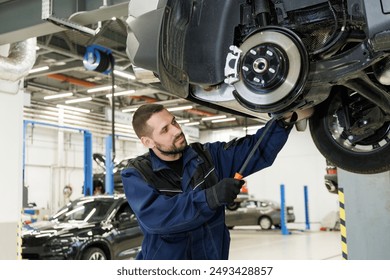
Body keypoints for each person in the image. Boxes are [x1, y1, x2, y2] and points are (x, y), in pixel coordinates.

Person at [121, 103, 309, 260]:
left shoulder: (208, 157)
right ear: (148, 142)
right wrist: (211, 197)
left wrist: (283, 120)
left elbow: (255, 150)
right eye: (165, 129)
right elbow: (157, 219)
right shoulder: (137, 174)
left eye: (174, 121)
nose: (177, 130)